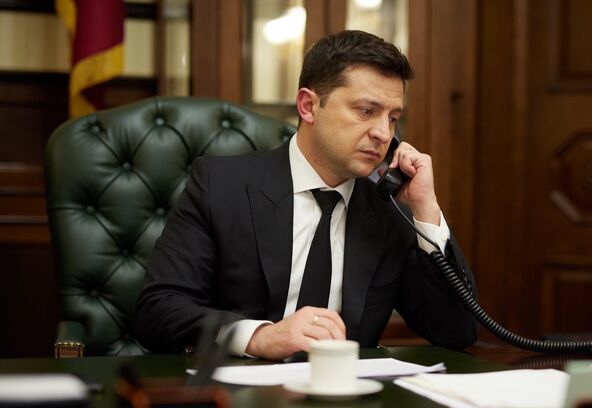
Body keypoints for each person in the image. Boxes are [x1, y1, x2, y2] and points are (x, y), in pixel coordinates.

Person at [135, 30, 478, 360]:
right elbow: (158, 310)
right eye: (366, 111)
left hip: (345, 392)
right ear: (308, 106)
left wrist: (426, 209)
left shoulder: (387, 208)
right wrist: (259, 337)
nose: (383, 133)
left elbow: (457, 331)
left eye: (393, 118)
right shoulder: (220, 186)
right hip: (238, 390)